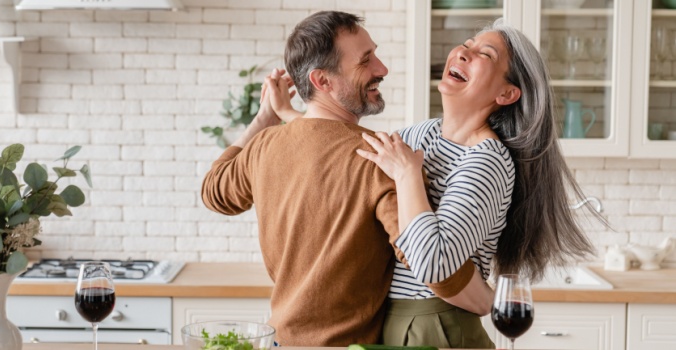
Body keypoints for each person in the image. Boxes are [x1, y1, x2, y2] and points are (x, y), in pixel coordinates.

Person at [201, 11, 490, 347]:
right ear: (322, 81)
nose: (382, 69)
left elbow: (214, 192)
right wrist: (489, 301)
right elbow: (432, 265)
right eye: (365, 61)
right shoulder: (379, 159)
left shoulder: (265, 145)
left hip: (280, 341)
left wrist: (263, 118)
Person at [352, 19, 598, 347]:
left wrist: (409, 175)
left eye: (485, 54)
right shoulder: (419, 134)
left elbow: (434, 265)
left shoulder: (487, 161)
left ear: (507, 93)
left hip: (438, 326)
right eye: (466, 45)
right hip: (391, 320)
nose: (463, 54)